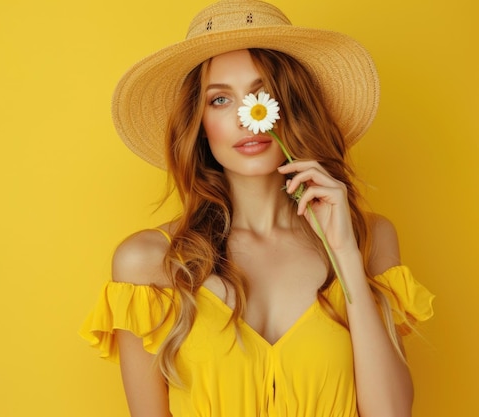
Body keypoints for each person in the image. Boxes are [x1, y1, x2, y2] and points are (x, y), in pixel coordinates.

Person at [80, 1, 434, 416]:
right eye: (219, 101)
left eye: (262, 94)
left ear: (292, 107)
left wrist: (345, 257)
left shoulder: (368, 240)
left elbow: (391, 414)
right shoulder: (148, 263)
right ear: (200, 126)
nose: (250, 119)